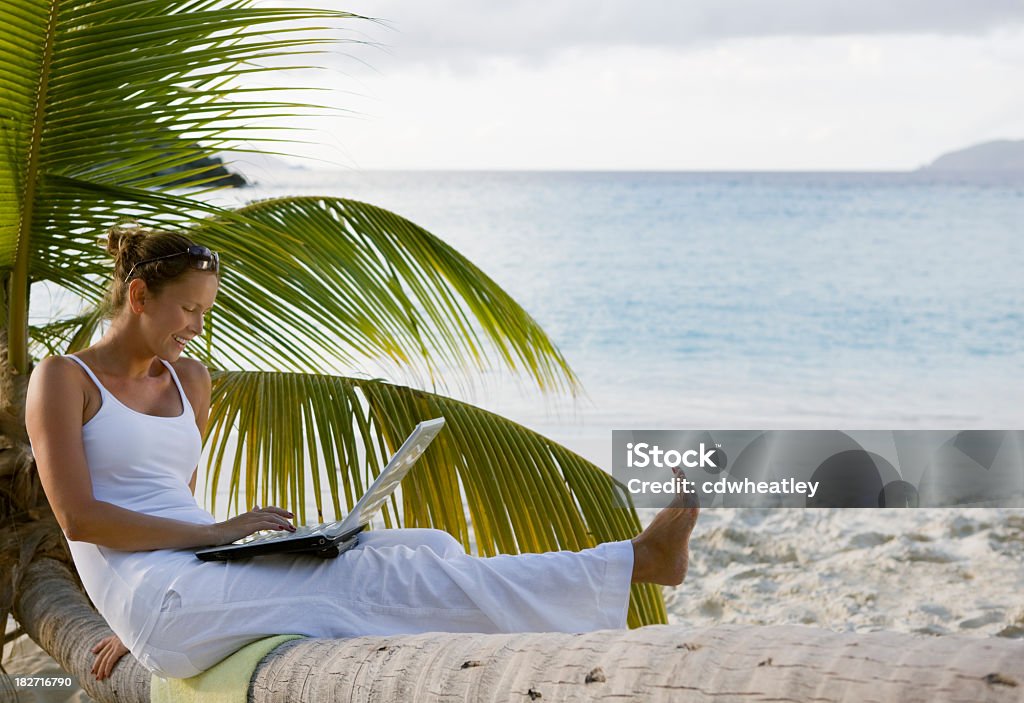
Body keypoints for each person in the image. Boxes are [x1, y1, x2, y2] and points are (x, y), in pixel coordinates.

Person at [25, 224, 700, 681]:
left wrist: (207, 548)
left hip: (188, 579)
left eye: (207, 312)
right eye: (188, 311)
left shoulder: (189, 378)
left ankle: (549, 639)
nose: (197, 328)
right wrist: (151, 592)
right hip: (161, 597)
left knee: (427, 545)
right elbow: (81, 519)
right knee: (376, 581)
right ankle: (637, 560)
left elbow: (171, 496)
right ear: (139, 297)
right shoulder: (63, 378)